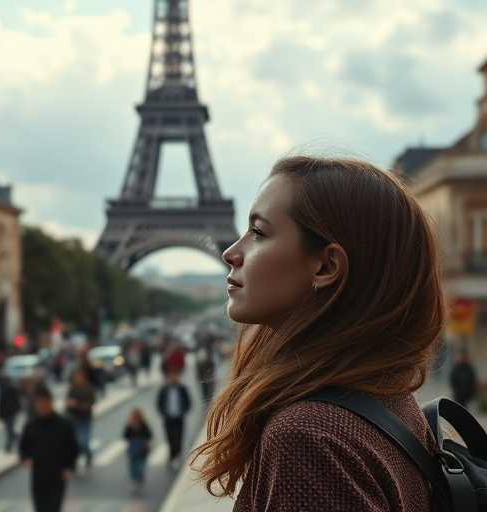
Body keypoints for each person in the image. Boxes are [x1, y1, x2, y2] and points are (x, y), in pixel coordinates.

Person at [191, 156, 446, 511]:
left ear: (326, 266)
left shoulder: (309, 437)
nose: (230, 252)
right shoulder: (391, 404)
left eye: (259, 232)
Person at [19, 385, 79, 512]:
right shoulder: (31, 425)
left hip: (57, 475)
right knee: (40, 508)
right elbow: (23, 447)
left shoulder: (64, 424)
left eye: (45, 403)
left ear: (51, 402)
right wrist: (25, 459)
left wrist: (70, 467)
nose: (43, 406)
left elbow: (73, 447)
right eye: (40, 403)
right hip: (38, 475)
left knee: (53, 508)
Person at [157, 370, 191, 469]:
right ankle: (172, 456)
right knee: (170, 438)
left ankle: (176, 455)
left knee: (178, 438)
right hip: (168, 419)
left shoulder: (182, 389)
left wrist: (183, 411)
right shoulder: (164, 390)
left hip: (179, 418)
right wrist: (164, 413)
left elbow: (188, 402)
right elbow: (159, 403)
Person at [65, 368, 96, 468]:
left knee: (84, 440)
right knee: (75, 441)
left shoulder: (88, 388)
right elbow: (67, 401)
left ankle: (88, 456)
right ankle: (75, 459)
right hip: (74, 418)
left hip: (85, 418)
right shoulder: (72, 388)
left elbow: (91, 403)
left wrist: (77, 404)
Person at [123, 408, 153, 494]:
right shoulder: (130, 426)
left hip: (141, 449)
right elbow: (125, 436)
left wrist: (147, 445)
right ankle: (134, 481)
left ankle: (141, 482)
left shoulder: (144, 425)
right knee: (133, 468)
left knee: (141, 468)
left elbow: (148, 436)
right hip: (133, 449)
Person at [0, 374, 22, 452]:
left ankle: (8, 446)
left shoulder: (7, 389)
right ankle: (18, 439)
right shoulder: (6, 389)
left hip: (10, 413)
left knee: (9, 430)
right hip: (9, 413)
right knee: (10, 430)